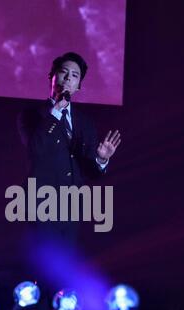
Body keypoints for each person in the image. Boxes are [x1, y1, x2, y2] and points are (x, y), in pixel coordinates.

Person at [18, 52, 121, 245]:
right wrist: (55, 113)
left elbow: (89, 173)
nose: (68, 79)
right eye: (64, 72)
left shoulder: (85, 123)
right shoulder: (32, 115)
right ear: (52, 76)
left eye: (75, 76)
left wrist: (101, 159)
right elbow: (36, 149)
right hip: (40, 203)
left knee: (65, 265)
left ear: (79, 85)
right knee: (42, 267)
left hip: (71, 207)